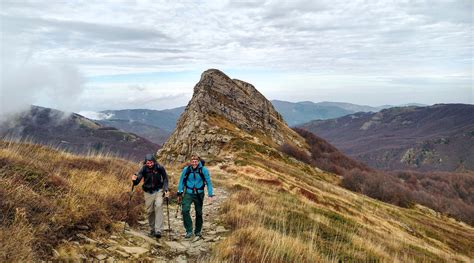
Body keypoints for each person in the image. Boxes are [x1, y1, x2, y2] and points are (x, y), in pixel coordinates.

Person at [177, 154, 214, 240]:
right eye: (192, 162)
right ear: (190, 162)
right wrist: (179, 192)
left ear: (198, 162)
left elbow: (208, 182)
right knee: (185, 210)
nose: (194, 163)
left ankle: (198, 231)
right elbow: (181, 181)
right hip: (188, 193)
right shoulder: (186, 170)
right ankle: (189, 230)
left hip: (199, 194)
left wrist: (210, 194)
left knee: (199, 212)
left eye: (196, 162)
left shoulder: (203, 170)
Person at [132, 153, 169, 238]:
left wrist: (166, 189)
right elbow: (138, 181)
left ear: (154, 161)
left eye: (151, 162)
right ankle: (152, 229)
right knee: (150, 211)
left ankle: (158, 230)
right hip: (148, 192)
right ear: (146, 163)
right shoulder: (144, 169)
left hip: (158, 190)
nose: (150, 164)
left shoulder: (159, 167)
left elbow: (165, 178)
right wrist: (134, 180)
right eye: (148, 163)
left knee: (158, 205)